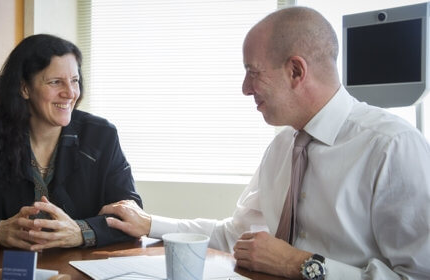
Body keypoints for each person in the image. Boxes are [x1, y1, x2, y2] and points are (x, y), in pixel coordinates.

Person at [99, 6, 430, 280]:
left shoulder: (392, 146)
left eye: (252, 72)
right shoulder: (283, 145)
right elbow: (236, 235)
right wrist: (149, 223)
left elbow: (417, 275)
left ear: (296, 71)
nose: (245, 88)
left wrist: (297, 263)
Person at [0, 34, 142, 251]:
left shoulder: (101, 135)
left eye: (74, 80)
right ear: (24, 88)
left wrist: (80, 232)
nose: (70, 93)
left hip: (80, 268)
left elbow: (131, 214)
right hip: (7, 269)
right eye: (55, 82)